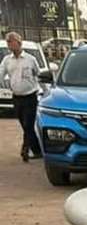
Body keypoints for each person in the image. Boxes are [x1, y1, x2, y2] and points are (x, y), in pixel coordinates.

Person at [0, 31, 43, 161]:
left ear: (19, 43)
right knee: (24, 125)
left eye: (11, 42)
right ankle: (37, 150)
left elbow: (38, 73)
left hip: (30, 96)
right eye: (8, 42)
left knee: (28, 124)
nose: (10, 45)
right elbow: (0, 73)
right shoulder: (7, 60)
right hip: (16, 97)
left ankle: (25, 149)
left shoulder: (30, 59)